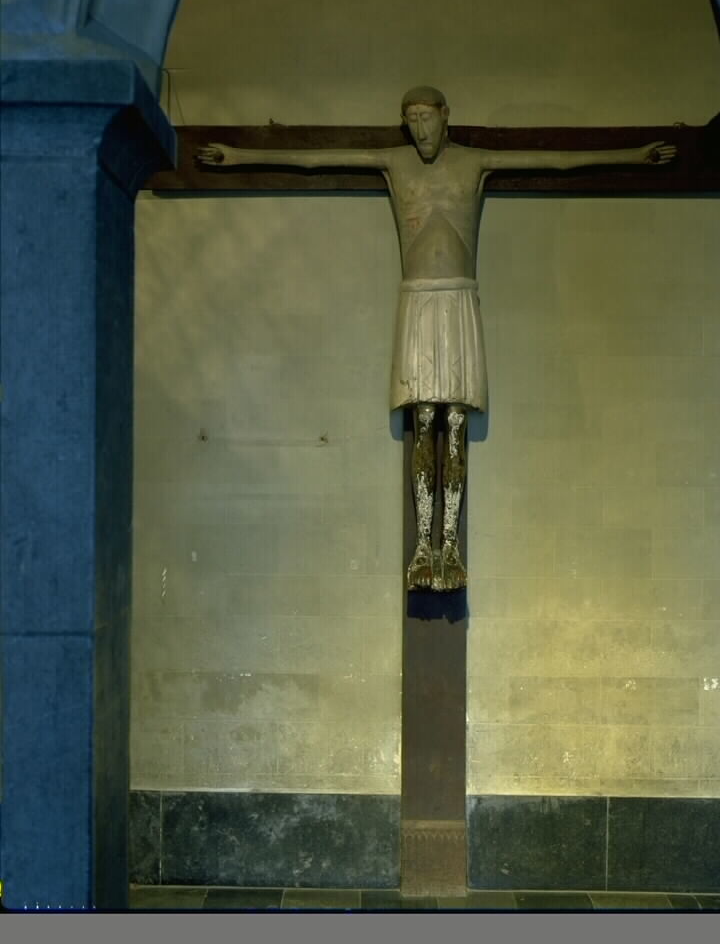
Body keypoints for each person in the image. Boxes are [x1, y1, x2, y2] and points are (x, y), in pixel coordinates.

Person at [197, 88, 677, 590]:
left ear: (446, 116)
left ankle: (450, 544)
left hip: (459, 297)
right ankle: (422, 547)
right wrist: (237, 156)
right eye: (411, 120)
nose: (420, 129)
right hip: (417, 299)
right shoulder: (394, 162)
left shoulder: (474, 162)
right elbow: (316, 160)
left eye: (426, 118)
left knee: (456, 420)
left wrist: (634, 155)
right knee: (423, 419)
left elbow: (556, 162)